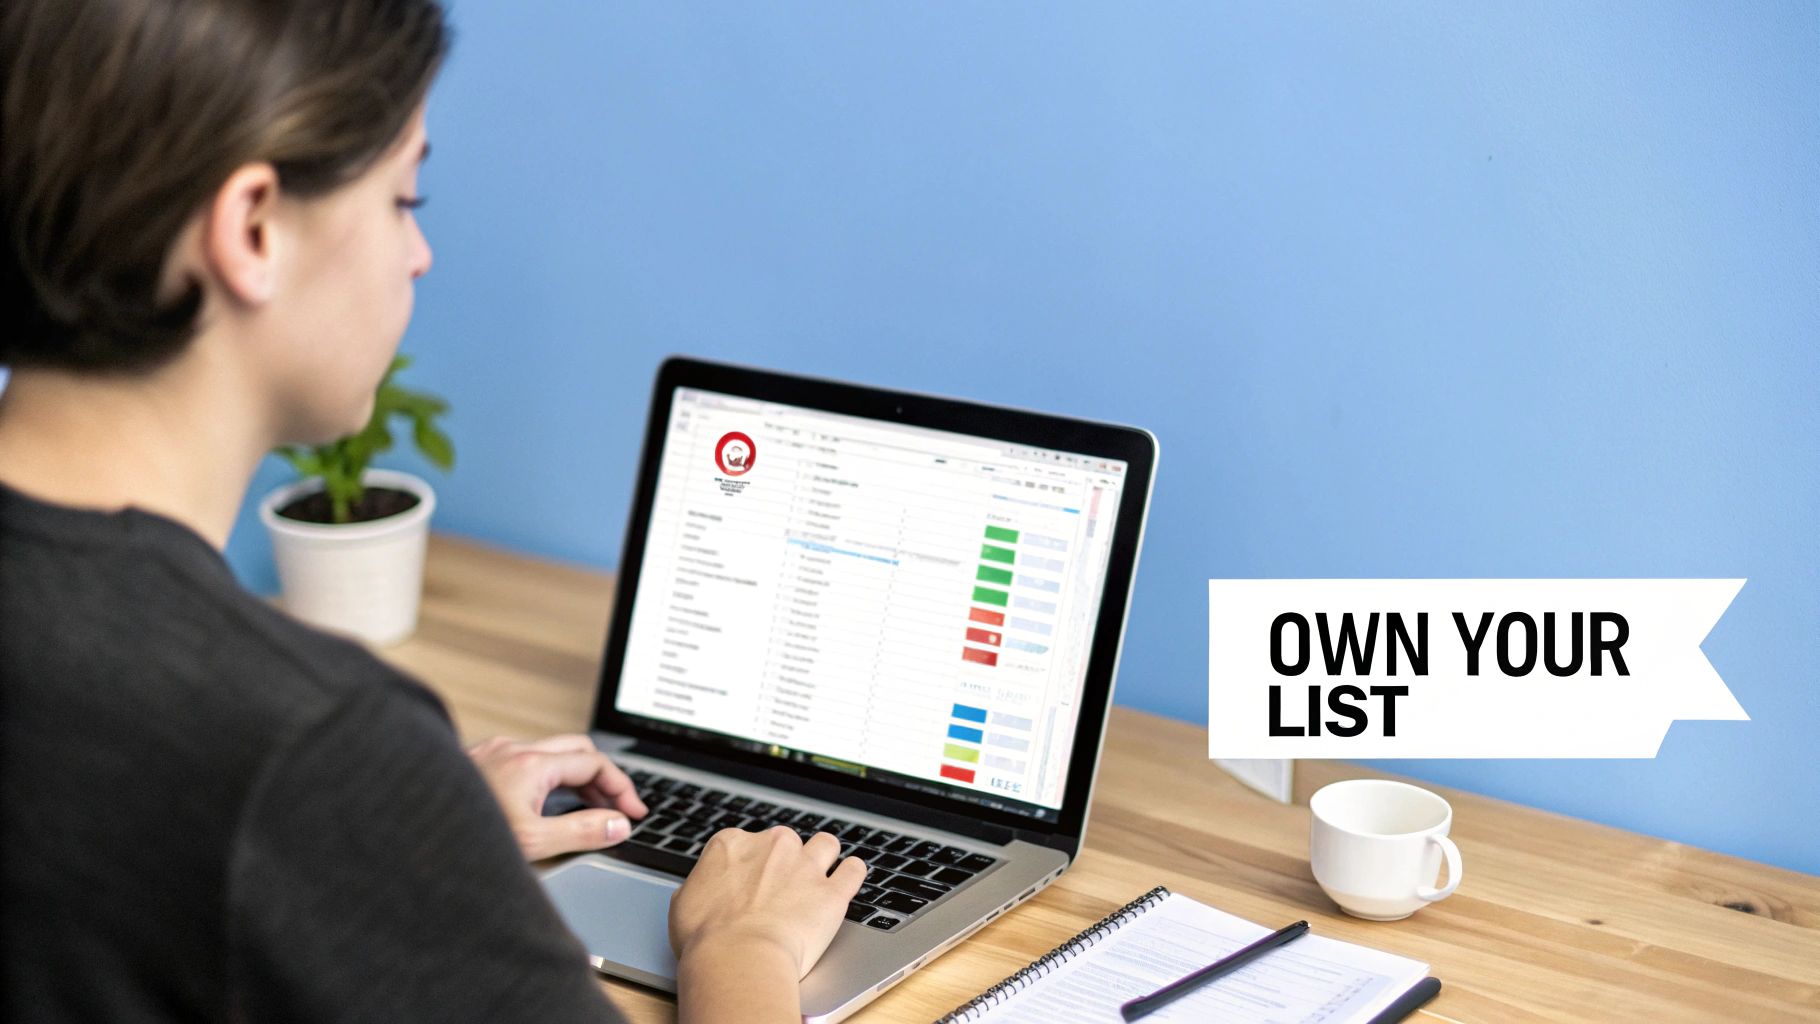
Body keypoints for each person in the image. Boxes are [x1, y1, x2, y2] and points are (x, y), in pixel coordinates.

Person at [0, 2, 863, 1021]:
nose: (419, 254)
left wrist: (401, 847)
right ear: (253, 228)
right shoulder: (311, 745)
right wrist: (743, 943)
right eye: (400, 198)